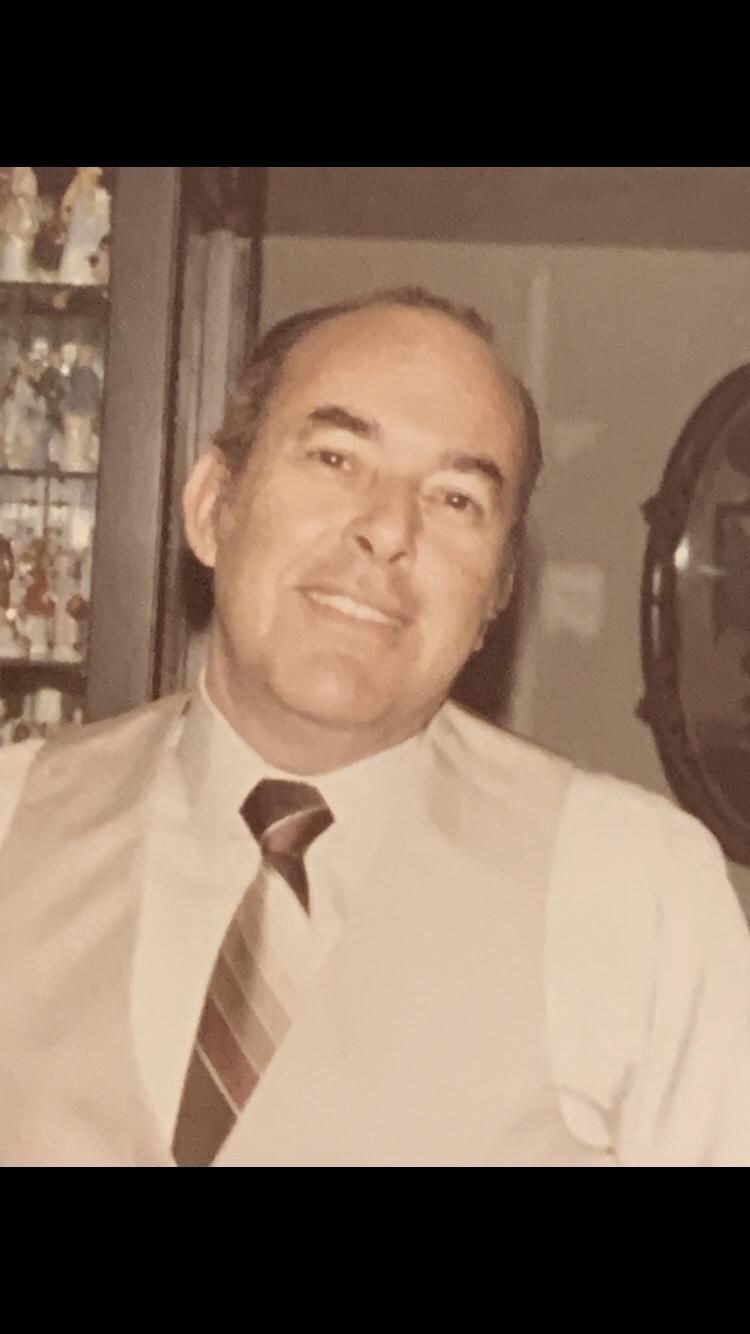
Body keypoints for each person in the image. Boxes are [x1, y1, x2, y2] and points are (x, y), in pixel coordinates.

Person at [2, 287, 750, 1167]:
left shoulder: (636, 892)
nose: (389, 530)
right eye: (335, 458)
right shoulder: (13, 816)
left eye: (456, 499)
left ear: (496, 595)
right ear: (211, 506)